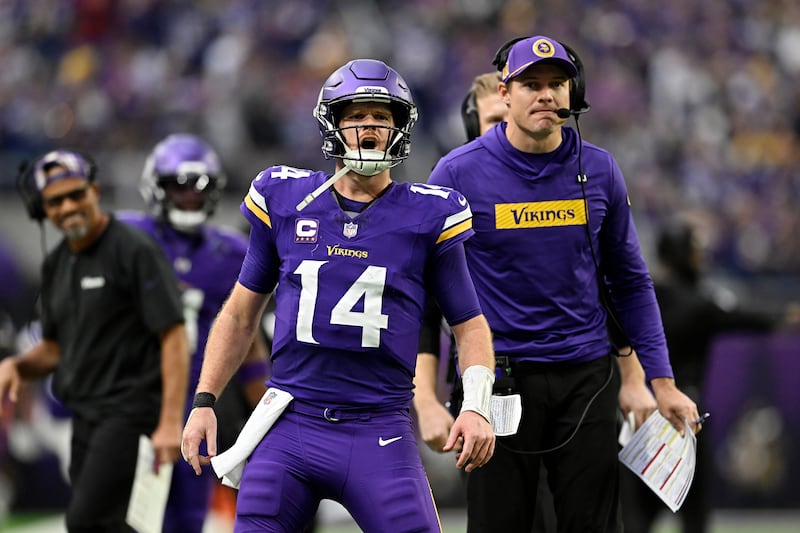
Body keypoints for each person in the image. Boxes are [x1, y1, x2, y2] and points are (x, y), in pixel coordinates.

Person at [180, 58, 496, 532]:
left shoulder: (429, 213)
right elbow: (242, 315)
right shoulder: (286, 199)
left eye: (382, 116)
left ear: (400, 127)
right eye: (357, 114)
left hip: (378, 429)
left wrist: (475, 404)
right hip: (290, 422)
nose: (370, 126)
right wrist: (205, 400)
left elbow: (469, 325)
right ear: (332, 122)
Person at [423, 35, 700, 533]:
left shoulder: (600, 169)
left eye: (557, 84)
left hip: (586, 380)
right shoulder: (457, 174)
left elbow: (631, 285)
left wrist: (662, 383)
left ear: (575, 93)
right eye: (532, 84)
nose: (546, 95)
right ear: (505, 94)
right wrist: (424, 395)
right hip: (497, 382)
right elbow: (426, 294)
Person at [0, 149, 190, 532]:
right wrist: (17, 365)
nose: (67, 206)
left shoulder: (133, 250)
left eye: (75, 194)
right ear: (43, 209)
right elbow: (54, 348)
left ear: (94, 191)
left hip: (130, 412)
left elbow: (173, 336)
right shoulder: (57, 265)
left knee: (86, 520)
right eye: (55, 200)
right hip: (83, 417)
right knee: (112, 524)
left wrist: (171, 422)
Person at [118, 134, 270, 533]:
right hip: (130, 393)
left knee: (187, 518)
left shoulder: (232, 251)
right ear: (156, 186)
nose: (189, 197)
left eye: (199, 188)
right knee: (123, 515)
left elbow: (248, 338)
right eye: (178, 186)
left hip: (195, 402)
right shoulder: (126, 238)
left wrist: (265, 412)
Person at [619, 217, 799, 533]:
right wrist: (788, 315)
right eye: (695, 251)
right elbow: (750, 318)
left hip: (642, 418)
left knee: (637, 516)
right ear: (684, 254)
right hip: (685, 417)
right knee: (694, 516)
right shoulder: (698, 303)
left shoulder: (645, 298)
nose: (700, 257)